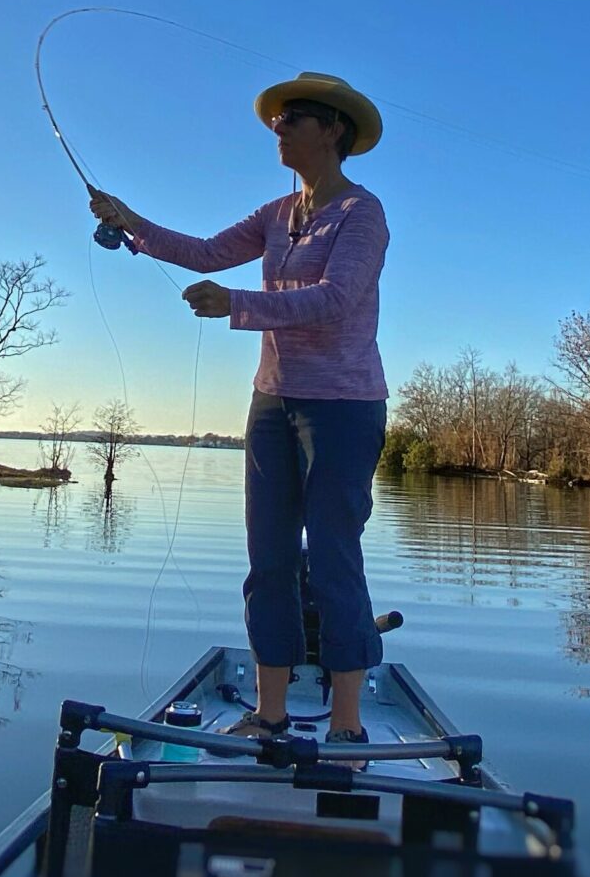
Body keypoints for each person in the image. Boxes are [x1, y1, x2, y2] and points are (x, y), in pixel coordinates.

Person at [88, 73, 390, 745]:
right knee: (269, 558)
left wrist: (237, 306)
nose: (278, 127)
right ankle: (270, 714)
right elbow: (202, 252)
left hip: (343, 408)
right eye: (276, 118)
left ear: (333, 130)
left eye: (293, 117)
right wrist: (129, 223)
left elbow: (335, 300)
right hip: (271, 404)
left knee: (336, 556)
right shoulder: (275, 214)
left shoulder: (362, 214)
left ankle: (346, 730)